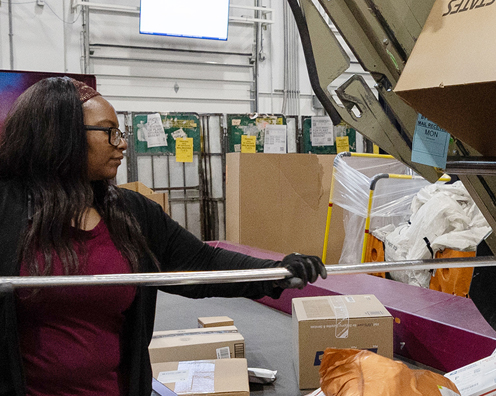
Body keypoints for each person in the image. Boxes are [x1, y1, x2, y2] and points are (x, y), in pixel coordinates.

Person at [0, 77, 327, 396]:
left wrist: (278, 272)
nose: (123, 143)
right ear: (61, 135)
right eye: (109, 132)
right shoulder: (6, 210)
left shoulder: (131, 213)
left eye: (121, 132)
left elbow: (202, 261)